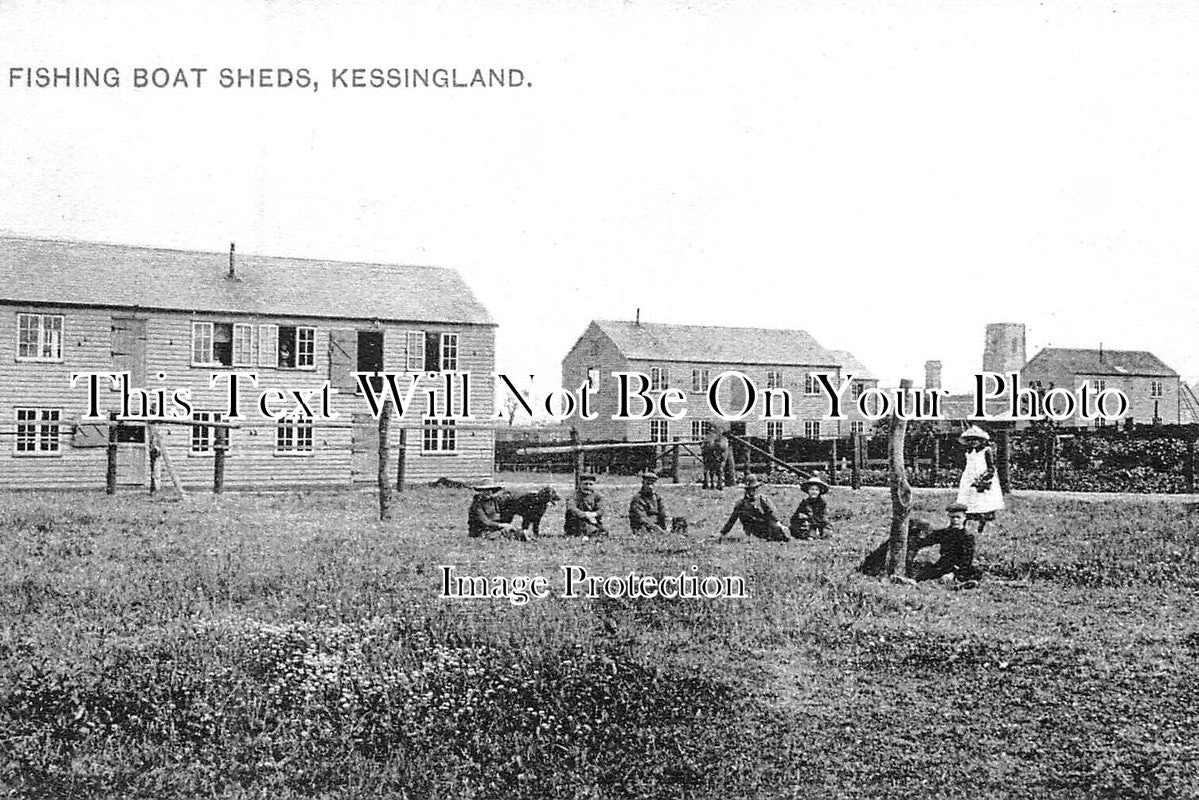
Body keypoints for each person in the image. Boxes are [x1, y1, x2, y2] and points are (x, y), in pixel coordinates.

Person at [909, 502, 981, 584]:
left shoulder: (967, 537)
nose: (955, 520)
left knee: (973, 572)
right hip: (944, 565)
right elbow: (926, 541)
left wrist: (954, 573)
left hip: (960, 568)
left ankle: (960, 583)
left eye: (958, 517)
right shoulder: (944, 533)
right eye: (952, 517)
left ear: (964, 517)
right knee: (925, 574)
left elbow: (967, 560)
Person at [957, 425, 1004, 533]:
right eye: (970, 440)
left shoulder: (986, 451)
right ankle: (965, 523)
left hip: (983, 477)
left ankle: (982, 524)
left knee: (983, 501)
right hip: (969, 479)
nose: (973, 442)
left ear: (981, 440)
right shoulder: (968, 452)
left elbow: (991, 467)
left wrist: (983, 478)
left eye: (976, 439)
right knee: (968, 500)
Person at [719, 475, 789, 541]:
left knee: (778, 531)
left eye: (753, 489)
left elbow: (773, 514)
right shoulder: (741, 503)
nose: (751, 492)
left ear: (756, 488)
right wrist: (723, 533)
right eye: (749, 489)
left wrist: (778, 525)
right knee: (742, 514)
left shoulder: (762, 499)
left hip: (767, 527)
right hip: (753, 529)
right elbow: (732, 519)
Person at [790, 475, 831, 539]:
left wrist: (809, 517)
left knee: (824, 531)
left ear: (820, 492)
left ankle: (814, 535)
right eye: (812, 489)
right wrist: (799, 517)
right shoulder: (804, 502)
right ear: (808, 490)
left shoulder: (822, 504)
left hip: (818, 525)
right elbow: (795, 517)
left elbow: (823, 518)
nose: (814, 492)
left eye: (816, 490)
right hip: (805, 525)